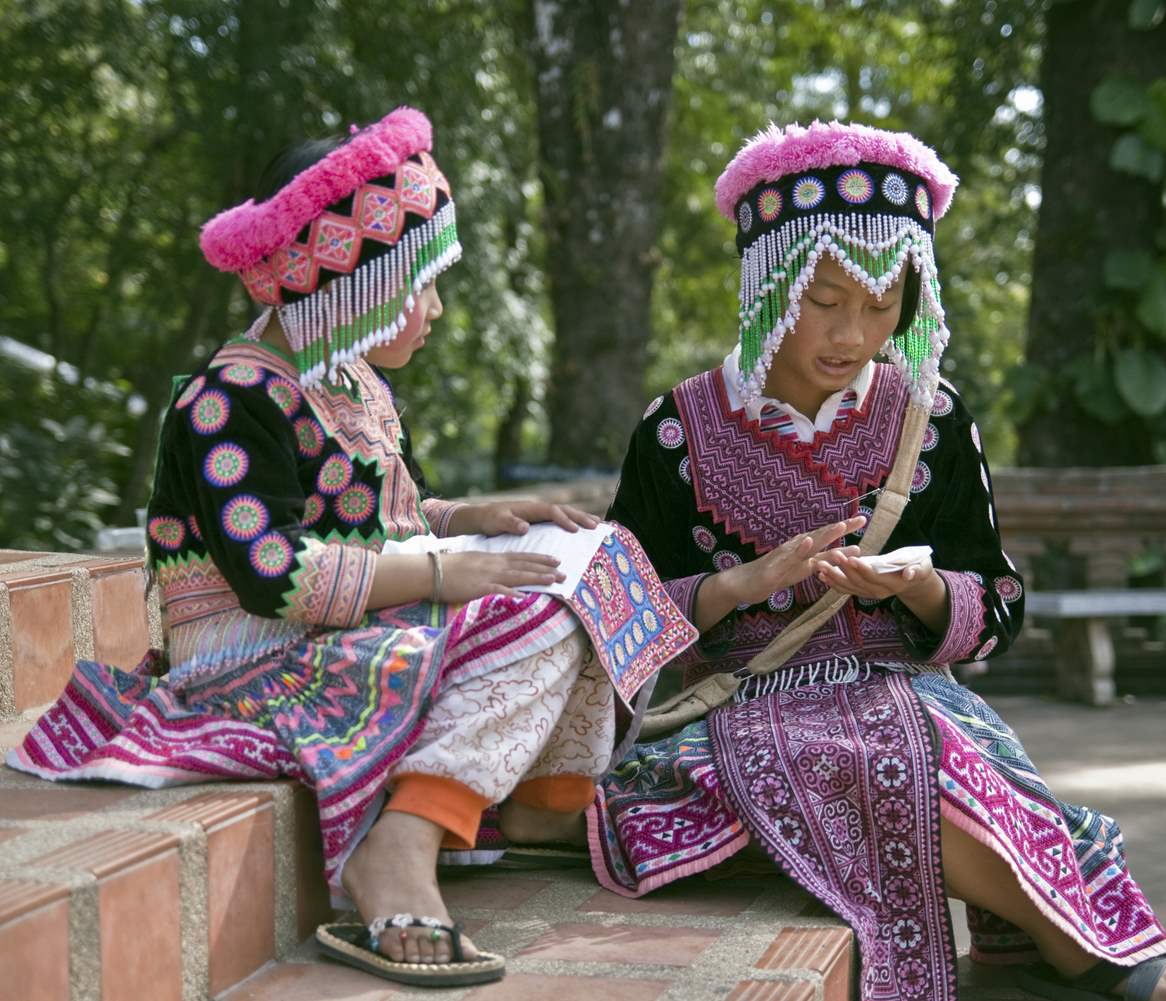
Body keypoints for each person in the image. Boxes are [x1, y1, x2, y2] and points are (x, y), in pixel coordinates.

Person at [7, 106, 695, 990]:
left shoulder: (352, 379)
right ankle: (400, 845)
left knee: (599, 557)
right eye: (421, 284)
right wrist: (446, 570)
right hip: (257, 660)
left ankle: (540, 804)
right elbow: (274, 574)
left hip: (352, 629)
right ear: (351, 279)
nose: (435, 308)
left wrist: (470, 516)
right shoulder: (227, 400)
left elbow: (391, 519)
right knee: (536, 619)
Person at [590, 120, 1166, 1001]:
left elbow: (998, 601)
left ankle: (1069, 944)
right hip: (747, 705)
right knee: (869, 759)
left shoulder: (932, 417)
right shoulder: (676, 430)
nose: (853, 333)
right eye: (826, 299)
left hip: (913, 692)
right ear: (767, 281)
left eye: (883, 306)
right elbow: (615, 620)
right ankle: (1085, 950)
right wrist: (736, 585)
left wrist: (919, 588)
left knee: (926, 746)